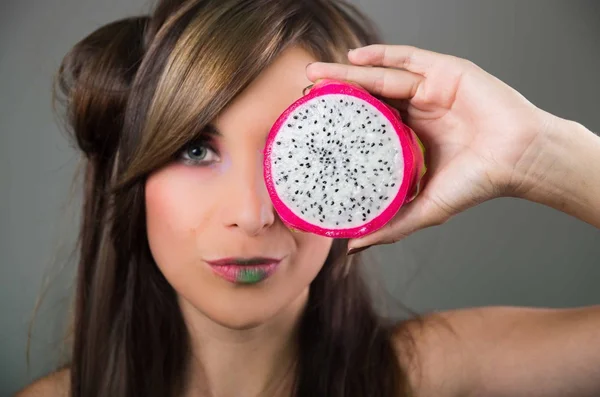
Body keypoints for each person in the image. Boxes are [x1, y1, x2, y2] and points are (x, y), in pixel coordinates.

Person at [17, 0, 600, 396]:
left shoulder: (436, 372)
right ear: (131, 175)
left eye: (303, 153)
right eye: (195, 150)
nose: (252, 215)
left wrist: (539, 153)